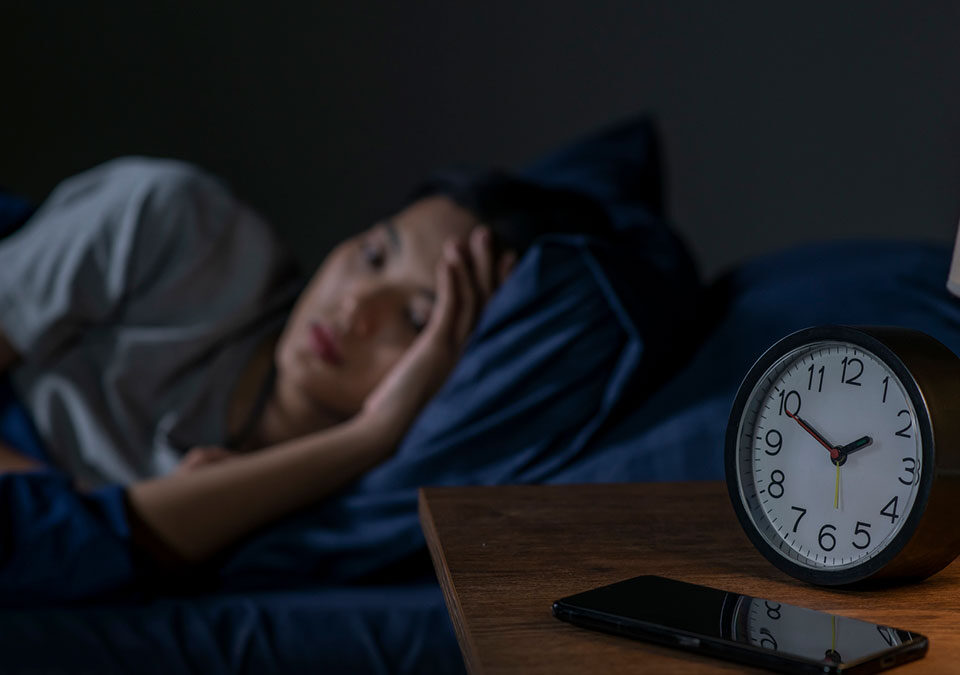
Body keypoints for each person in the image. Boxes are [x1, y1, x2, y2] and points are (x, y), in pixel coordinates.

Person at [0, 158, 610, 569]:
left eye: (418, 319)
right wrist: (79, 500)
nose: (356, 308)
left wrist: (371, 437)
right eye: (373, 256)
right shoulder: (181, 229)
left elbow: (119, 544)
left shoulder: (329, 517)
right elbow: (89, 533)